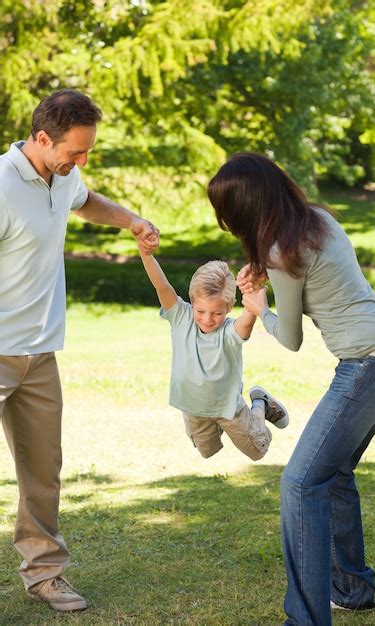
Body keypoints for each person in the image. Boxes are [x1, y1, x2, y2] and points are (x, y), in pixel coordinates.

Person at [207, 152, 375, 626]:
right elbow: (319, 283)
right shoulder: (316, 221)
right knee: (334, 474)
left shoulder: (284, 252)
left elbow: (292, 339)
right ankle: (353, 589)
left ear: (245, 209)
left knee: (300, 482)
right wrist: (266, 280)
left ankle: (305, 618)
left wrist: (259, 306)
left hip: (370, 364)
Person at [0, 89, 159, 612]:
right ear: (42, 138)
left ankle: (45, 573)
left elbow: (86, 202)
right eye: (75, 151)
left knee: (43, 471)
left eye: (87, 152)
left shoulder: (62, 177)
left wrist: (131, 219)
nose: (82, 162)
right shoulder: (2, 185)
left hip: (40, 353)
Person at [136, 240, 289, 461]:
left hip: (227, 407)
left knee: (258, 450)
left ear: (228, 307)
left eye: (216, 313)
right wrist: (147, 256)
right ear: (191, 301)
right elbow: (162, 287)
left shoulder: (228, 331)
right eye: (201, 311)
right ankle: (226, 427)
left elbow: (245, 324)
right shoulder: (181, 317)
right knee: (207, 452)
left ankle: (260, 403)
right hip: (193, 407)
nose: (207, 319)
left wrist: (254, 293)